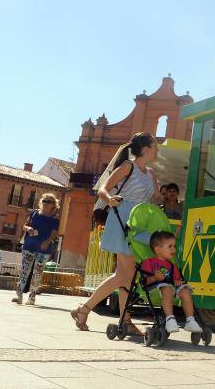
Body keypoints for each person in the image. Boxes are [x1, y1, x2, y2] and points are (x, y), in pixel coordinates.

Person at [70, 132, 161, 334]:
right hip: (122, 218)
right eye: (155, 146)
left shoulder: (151, 173)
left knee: (126, 275)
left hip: (140, 222)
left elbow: (155, 198)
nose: (157, 150)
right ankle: (92, 311)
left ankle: (114, 316)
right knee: (125, 274)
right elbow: (103, 189)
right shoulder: (128, 166)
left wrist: (157, 196)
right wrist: (110, 199)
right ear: (145, 149)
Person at [141, 231, 201, 333]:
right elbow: (144, 282)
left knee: (185, 290)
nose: (174, 249)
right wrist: (155, 278)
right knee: (167, 288)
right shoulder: (148, 262)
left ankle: (190, 320)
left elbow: (177, 280)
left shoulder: (172, 266)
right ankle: (170, 319)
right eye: (170, 246)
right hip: (153, 292)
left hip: (170, 291)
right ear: (158, 249)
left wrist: (178, 282)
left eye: (174, 246)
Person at [12, 193, 60, 305]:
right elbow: (25, 225)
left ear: (54, 205)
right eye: (44, 201)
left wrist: (47, 242)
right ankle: (19, 296)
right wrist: (28, 229)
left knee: (37, 273)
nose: (45, 203)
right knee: (25, 270)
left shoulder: (54, 219)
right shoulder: (34, 213)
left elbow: (54, 233)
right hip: (29, 246)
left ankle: (32, 298)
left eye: (49, 202)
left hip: (44, 248)